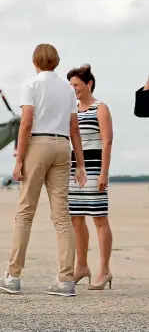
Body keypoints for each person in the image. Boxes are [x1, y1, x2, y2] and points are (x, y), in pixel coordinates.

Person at [0, 43, 87, 297]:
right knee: (61, 215)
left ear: (35, 61)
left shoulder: (31, 85)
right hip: (62, 145)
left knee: (25, 212)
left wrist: (19, 158)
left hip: (38, 143)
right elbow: (74, 128)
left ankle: (13, 275)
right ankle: (66, 280)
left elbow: (26, 123)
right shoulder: (68, 90)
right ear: (56, 62)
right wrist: (80, 163)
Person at [67, 64, 114, 290]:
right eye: (71, 85)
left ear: (89, 84)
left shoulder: (100, 108)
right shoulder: (73, 109)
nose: (73, 89)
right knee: (76, 219)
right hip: (75, 171)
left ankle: (104, 270)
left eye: (76, 85)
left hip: (95, 170)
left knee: (99, 219)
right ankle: (82, 266)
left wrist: (104, 172)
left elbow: (107, 141)